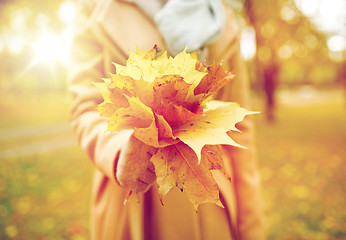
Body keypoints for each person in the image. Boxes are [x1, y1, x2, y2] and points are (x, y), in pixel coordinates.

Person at [68, 0, 265, 239]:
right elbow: (86, 107)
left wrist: (250, 227)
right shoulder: (94, 8)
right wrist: (118, 150)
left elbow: (239, 128)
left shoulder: (220, 16)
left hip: (210, 202)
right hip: (136, 203)